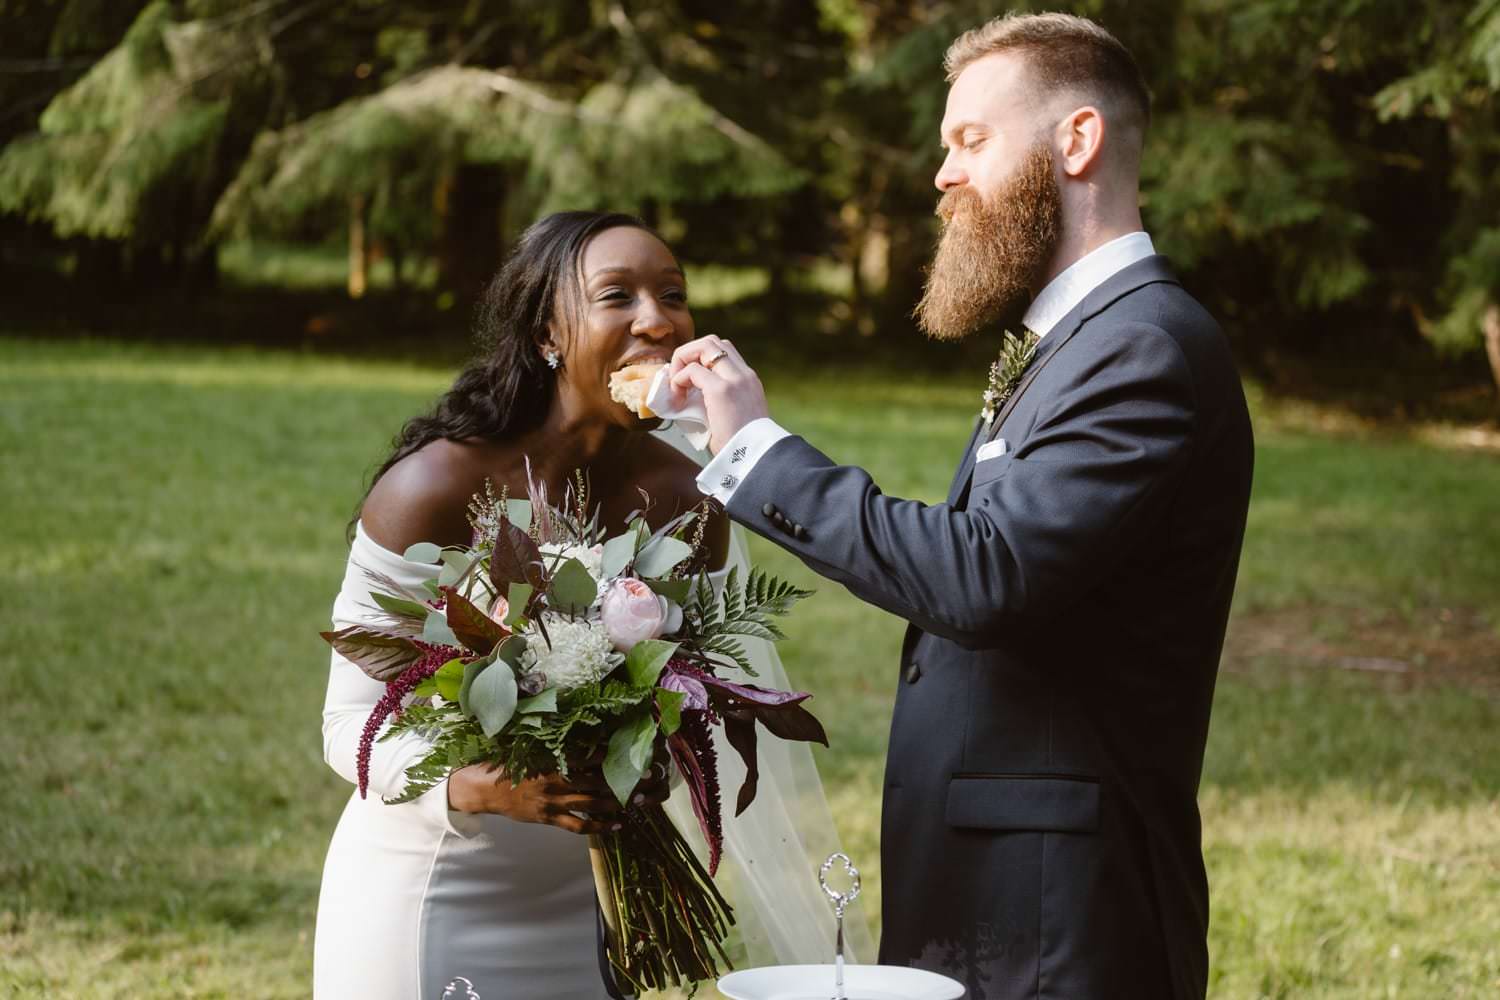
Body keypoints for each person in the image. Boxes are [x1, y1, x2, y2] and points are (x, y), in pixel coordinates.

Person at [669, 13, 1254, 1000]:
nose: (942, 174)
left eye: (970, 140)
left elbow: (986, 573)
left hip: (1060, 915)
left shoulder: (1143, 346)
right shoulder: (1081, 341)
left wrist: (756, 453)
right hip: (1004, 895)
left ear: (1076, 139)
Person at [313, 211, 869, 999]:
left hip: (589, 904)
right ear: (549, 331)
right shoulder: (432, 489)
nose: (657, 318)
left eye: (672, 294)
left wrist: (654, 764)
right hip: (430, 888)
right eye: (618, 296)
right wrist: (478, 786)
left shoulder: (690, 500)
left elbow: (691, 699)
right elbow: (348, 726)